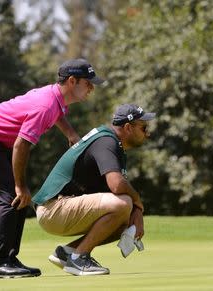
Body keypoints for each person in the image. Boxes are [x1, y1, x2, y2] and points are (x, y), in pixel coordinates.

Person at [0, 58, 105, 279]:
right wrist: (21, 185)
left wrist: (70, 134)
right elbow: (21, 145)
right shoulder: (45, 105)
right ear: (73, 81)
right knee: (11, 196)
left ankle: (8, 258)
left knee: (18, 200)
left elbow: (58, 114)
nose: (92, 88)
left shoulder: (54, 98)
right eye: (88, 83)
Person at [32, 104, 155, 276]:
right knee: (122, 203)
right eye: (144, 128)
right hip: (53, 208)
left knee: (126, 221)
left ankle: (67, 253)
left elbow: (116, 189)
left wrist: (136, 212)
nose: (147, 133)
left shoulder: (113, 144)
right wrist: (138, 203)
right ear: (128, 127)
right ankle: (79, 258)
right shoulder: (107, 140)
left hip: (60, 208)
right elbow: (117, 185)